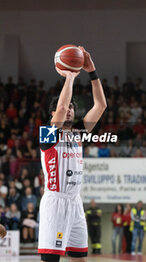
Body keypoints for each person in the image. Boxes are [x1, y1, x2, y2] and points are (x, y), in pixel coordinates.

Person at [38, 46, 107, 262]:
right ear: (52, 114)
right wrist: (70, 76)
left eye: (72, 108)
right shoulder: (47, 133)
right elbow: (60, 109)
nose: (68, 110)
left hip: (75, 202)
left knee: (79, 258)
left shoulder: (78, 132)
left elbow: (101, 104)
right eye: (65, 107)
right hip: (55, 202)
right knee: (51, 260)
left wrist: (92, 71)